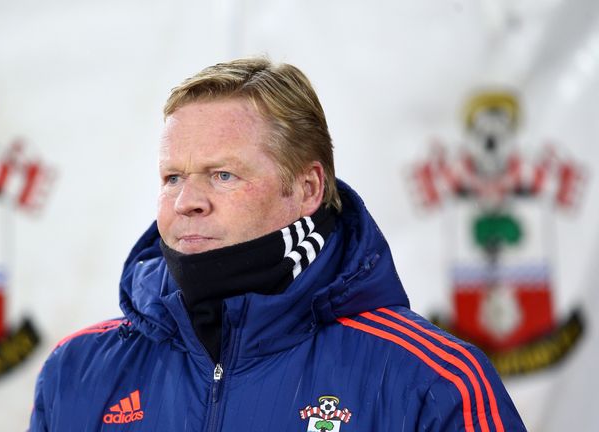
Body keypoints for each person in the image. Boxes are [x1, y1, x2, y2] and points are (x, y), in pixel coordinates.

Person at [29, 57, 526, 431]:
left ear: (307, 188)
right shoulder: (77, 371)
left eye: (223, 175)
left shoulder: (433, 381)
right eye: (172, 176)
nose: (187, 201)